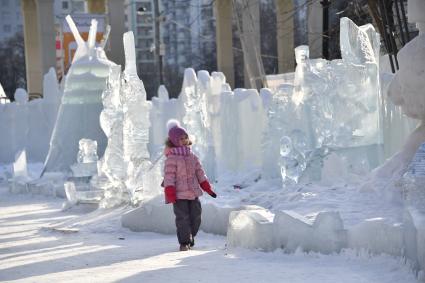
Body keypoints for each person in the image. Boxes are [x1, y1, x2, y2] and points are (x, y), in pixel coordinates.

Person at [163, 119, 217, 251]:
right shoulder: (172, 158)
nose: (184, 140)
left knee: (196, 217)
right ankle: (184, 242)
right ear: (174, 141)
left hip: (193, 193)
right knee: (182, 219)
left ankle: (191, 235)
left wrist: (207, 188)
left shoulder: (192, 156)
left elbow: (200, 173)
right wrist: (169, 192)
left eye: (185, 137)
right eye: (181, 138)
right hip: (179, 195)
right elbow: (169, 176)